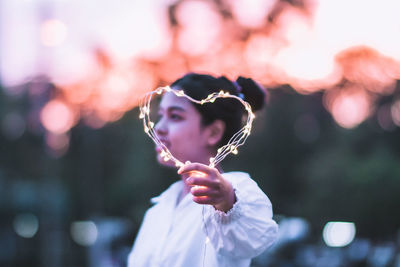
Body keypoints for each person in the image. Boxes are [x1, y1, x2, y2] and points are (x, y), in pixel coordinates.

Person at [128, 73, 278, 267]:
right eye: (160, 116)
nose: (159, 128)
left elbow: (251, 240)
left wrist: (227, 203)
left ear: (214, 132)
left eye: (175, 116)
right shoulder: (158, 209)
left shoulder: (239, 192)